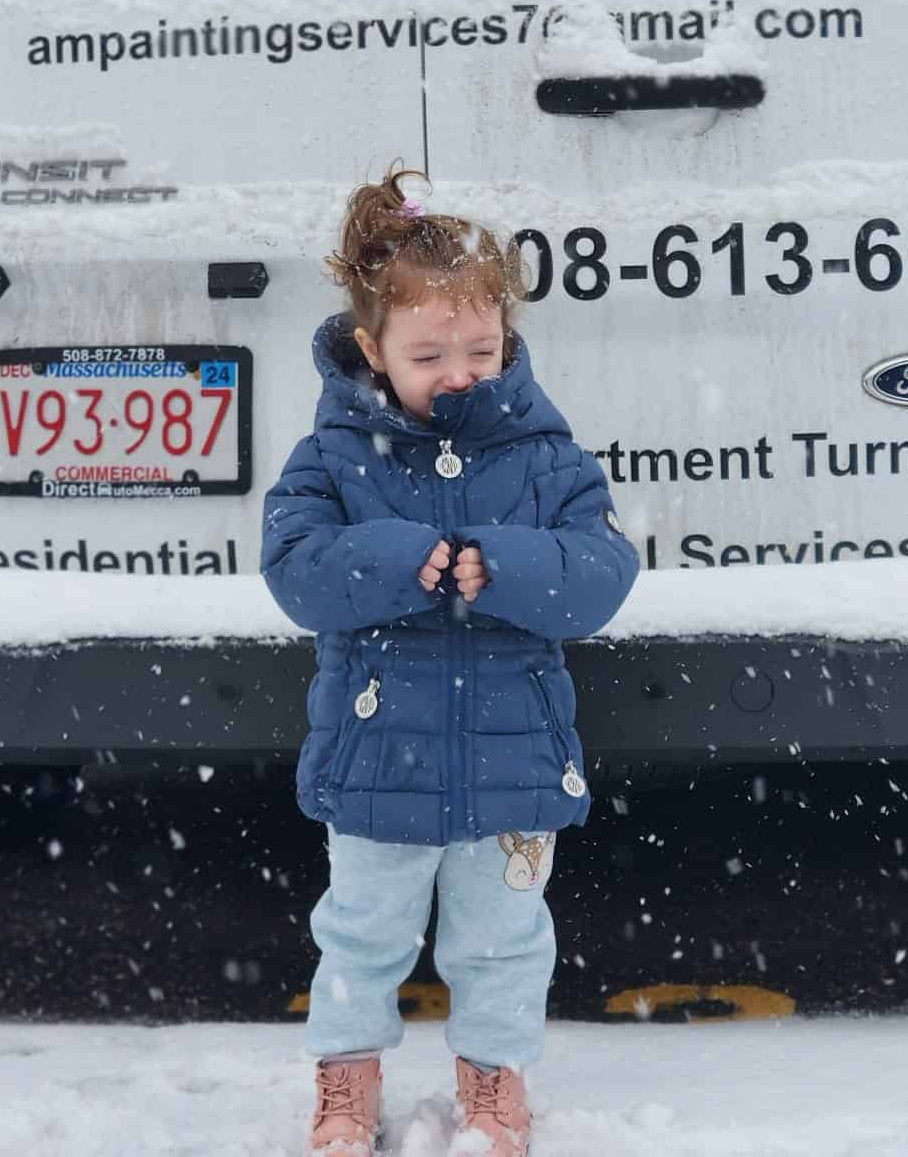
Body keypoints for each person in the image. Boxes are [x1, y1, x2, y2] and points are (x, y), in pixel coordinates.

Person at [263, 164, 640, 1157]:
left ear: (508, 339)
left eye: (480, 346)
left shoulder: (546, 454)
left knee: (504, 937)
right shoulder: (334, 455)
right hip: (379, 750)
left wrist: (508, 564)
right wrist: (393, 554)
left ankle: (494, 1079)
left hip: (511, 762)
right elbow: (294, 566)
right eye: (429, 352)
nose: (459, 370)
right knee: (361, 927)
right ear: (370, 347)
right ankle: (346, 1076)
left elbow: (603, 567)